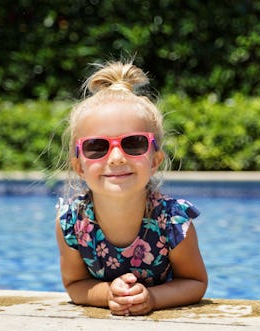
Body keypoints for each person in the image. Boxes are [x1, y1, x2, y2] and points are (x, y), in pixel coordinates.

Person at [55, 60, 208, 316]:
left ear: (155, 161)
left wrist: (152, 298)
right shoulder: (72, 224)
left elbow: (195, 282)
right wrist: (108, 294)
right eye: (97, 147)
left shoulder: (172, 222)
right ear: (79, 167)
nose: (116, 157)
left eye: (134, 144)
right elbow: (74, 285)